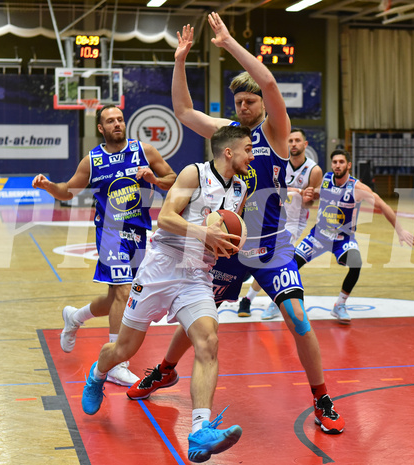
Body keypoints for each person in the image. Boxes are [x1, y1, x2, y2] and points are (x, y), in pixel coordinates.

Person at [126, 14, 346, 436]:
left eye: (250, 102)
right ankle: (166, 370)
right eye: (239, 103)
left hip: (272, 247)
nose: (245, 108)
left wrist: (227, 42)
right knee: (197, 317)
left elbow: (270, 83)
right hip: (228, 247)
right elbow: (184, 110)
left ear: (261, 106)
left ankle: (321, 397)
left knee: (299, 320)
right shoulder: (228, 136)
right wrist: (179, 62)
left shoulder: (277, 134)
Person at [81, 125, 253, 463]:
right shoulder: (195, 173)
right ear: (229, 152)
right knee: (124, 348)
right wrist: (204, 232)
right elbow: (166, 218)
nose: (252, 155)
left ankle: (200, 431)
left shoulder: (241, 189)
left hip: (195, 274)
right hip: (160, 268)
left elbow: (227, 232)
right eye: (248, 149)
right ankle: (98, 374)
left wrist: (228, 246)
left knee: (208, 341)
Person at [32, 105, 176, 386]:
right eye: (110, 121)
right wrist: (49, 185)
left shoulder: (144, 151)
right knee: (124, 291)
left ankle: (75, 316)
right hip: (110, 232)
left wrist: (154, 180)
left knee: (117, 299)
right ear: (101, 128)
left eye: (120, 119)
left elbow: (173, 179)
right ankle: (115, 363)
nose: (117, 124)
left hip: (139, 231)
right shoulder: (93, 160)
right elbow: (69, 190)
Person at [294, 149, 414, 324]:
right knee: (291, 265)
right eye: (335, 162)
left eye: (341, 162)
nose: (338, 165)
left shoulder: (357, 188)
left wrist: (400, 230)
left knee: (356, 263)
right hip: (319, 235)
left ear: (349, 165)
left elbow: (381, 205)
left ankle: (340, 304)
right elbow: (316, 195)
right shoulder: (327, 179)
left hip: (343, 238)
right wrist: (309, 195)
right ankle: (282, 302)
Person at [238, 127, 323, 319]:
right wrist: (294, 191)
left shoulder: (314, 170)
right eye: (290, 141)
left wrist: (309, 197)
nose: (293, 144)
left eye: (297, 141)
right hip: (271, 217)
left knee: (271, 259)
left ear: (305, 144)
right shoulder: (279, 161)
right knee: (261, 257)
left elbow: (310, 204)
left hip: (293, 223)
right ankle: (247, 278)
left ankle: (251, 299)